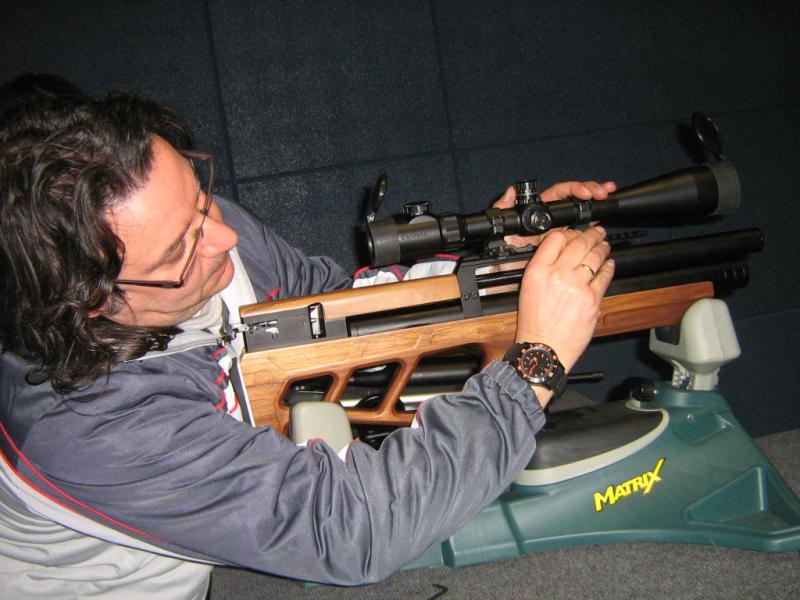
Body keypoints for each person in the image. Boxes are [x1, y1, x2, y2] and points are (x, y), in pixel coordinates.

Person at [0, 74, 615, 599]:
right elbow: (350, 531)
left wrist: (499, 265)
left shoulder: (201, 232)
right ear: (92, 301)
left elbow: (347, 309)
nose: (224, 238)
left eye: (200, 198)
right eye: (179, 250)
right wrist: (535, 364)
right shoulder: (85, 423)